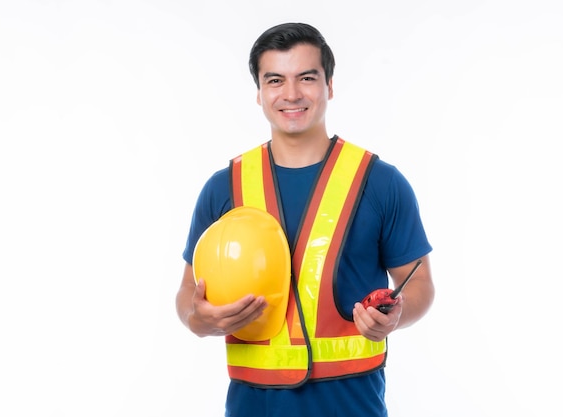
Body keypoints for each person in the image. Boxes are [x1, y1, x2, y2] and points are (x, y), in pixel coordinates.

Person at [175, 22, 435, 417]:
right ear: (260, 93)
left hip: (352, 406)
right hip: (253, 407)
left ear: (329, 86)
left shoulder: (381, 183)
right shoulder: (223, 187)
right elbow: (186, 298)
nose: (291, 94)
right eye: (275, 79)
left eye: (307, 78)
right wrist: (200, 319)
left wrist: (395, 317)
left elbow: (419, 285)